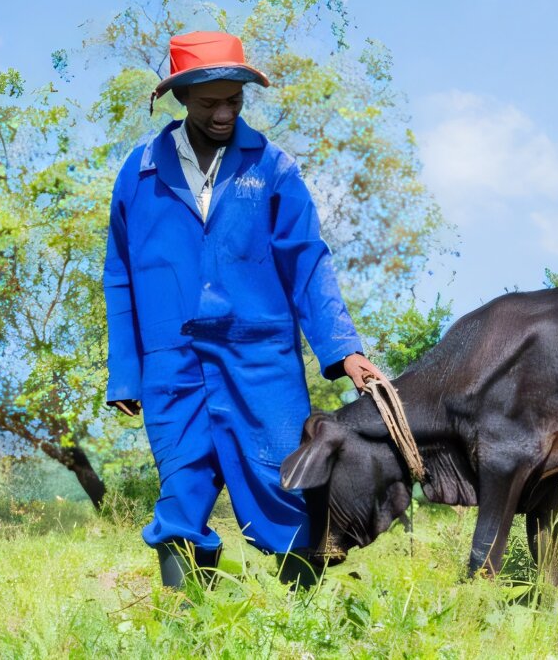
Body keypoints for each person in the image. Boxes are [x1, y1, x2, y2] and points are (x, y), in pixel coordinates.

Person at [103, 30, 387, 589]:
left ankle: (302, 628)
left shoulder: (273, 167)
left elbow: (307, 262)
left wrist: (344, 349)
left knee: (282, 484)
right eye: (211, 102)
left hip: (260, 360)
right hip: (173, 361)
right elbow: (120, 277)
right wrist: (126, 372)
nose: (225, 112)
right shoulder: (138, 174)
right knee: (181, 488)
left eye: (234, 100)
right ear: (182, 97)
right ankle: (187, 626)